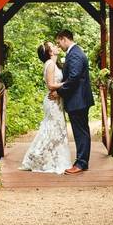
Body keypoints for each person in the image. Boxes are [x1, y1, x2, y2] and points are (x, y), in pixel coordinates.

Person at [19, 41, 73, 174]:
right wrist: (68, 83)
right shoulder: (50, 65)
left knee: (57, 130)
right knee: (53, 130)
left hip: (57, 101)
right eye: (53, 46)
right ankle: (37, 157)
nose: (56, 46)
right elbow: (50, 85)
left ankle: (55, 159)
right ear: (50, 52)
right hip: (52, 102)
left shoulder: (54, 64)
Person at [52, 29, 94, 174]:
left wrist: (59, 92)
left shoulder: (75, 54)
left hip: (78, 100)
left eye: (59, 42)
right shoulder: (75, 52)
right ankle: (82, 161)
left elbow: (74, 78)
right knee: (81, 131)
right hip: (79, 99)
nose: (59, 45)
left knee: (80, 132)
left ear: (64, 39)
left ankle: (81, 164)